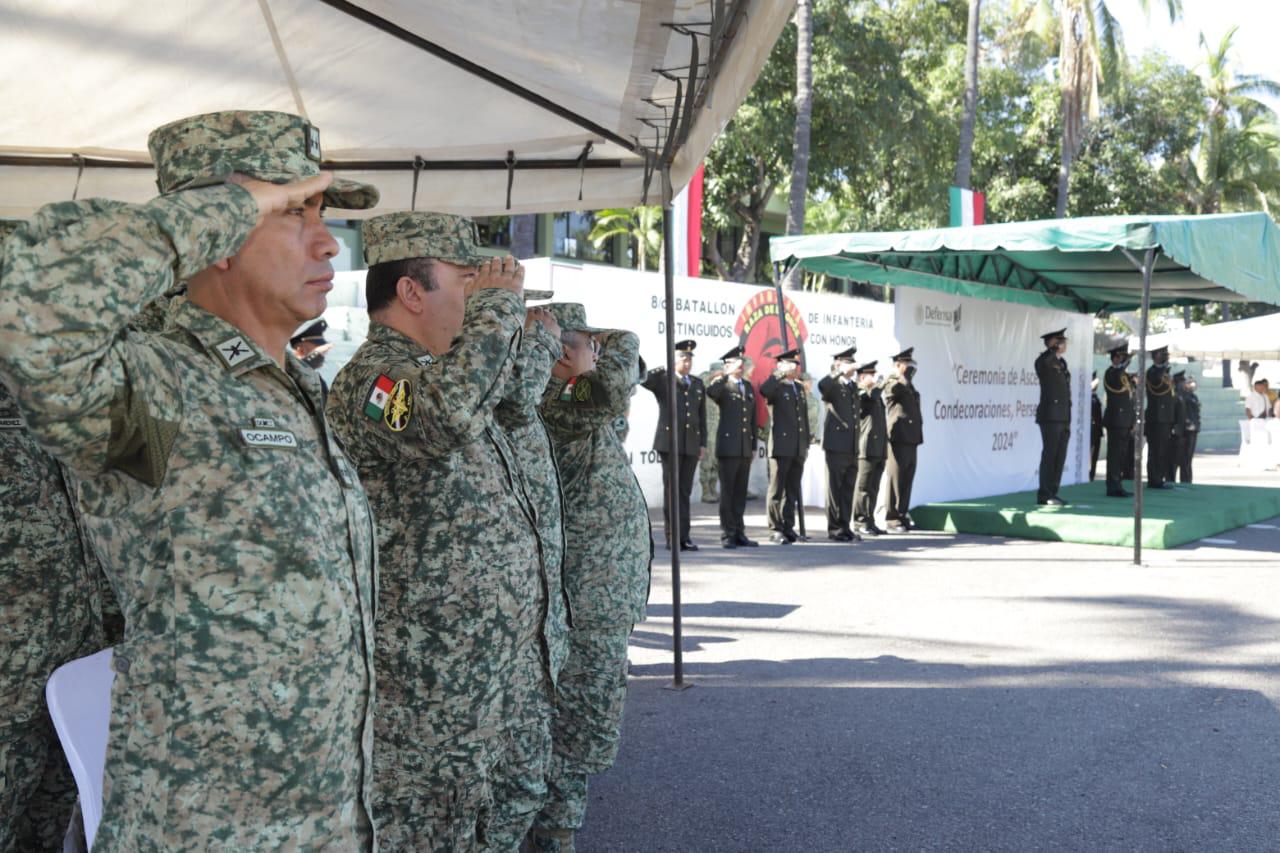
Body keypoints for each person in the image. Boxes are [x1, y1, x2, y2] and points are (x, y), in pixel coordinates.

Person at [0, 110, 381, 849]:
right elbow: (31, 314)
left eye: (321, 213)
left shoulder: (291, 387)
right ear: (219, 234)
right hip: (207, 829)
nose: (328, 241)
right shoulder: (158, 392)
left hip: (325, 819)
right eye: (293, 212)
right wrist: (225, 208)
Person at [325, 212, 554, 851]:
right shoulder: (372, 379)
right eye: (466, 281)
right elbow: (444, 417)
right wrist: (499, 309)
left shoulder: (454, 372)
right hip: (427, 695)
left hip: (486, 678)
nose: (480, 296)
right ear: (410, 292)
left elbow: (508, 399)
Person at [534, 304, 651, 853]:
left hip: (601, 595)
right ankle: (554, 835)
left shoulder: (576, 402)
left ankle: (556, 829)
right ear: (561, 354)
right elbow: (613, 384)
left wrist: (587, 343)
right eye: (588, 348)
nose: (600, 356)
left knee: (585, 723)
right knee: (577, 726)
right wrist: (611, 337)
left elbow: (619, 389)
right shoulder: (557, 401)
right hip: (584, 598)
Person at [641, 339, 707, 551]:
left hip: (691, 444)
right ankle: (672, 537)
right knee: (672, 492)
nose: (687, 363)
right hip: (670, 444)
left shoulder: (697, 384)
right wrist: (664, 368)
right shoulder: (664, 380)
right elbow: (644, 380)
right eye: (682, 358)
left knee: (685, 492)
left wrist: (703, 443)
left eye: (689, 359)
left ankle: (684, 536)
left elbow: (701, 416)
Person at [706, 346, 758, 549]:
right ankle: (727, 534)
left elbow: (752, 418)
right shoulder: (723, 385)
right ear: (727, 365)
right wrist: (725, 375)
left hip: (744, 447)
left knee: (740, 493)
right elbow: (711, 393)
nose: (740, 366)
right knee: (727, 493)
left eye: (741, 362)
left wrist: (753, 445)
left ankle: (739, 532)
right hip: (728, 447)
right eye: (735, 363)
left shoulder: (747, 386)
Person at [760, 348, 810, 544]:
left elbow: (803, 418)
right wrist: (778, 373)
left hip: (797, 446)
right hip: (781, 445)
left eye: (795, 364)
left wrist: (805, 443)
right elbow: (764, 391)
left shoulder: (798, 387)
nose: (794, 368)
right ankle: (775, 529)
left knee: (792, 490)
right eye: (790, 364)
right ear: (780, 365)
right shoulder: (776, 385)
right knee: (776, 490)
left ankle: (788, 526)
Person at [817, 347, 861, 542]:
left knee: (848, 488)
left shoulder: (852, 386)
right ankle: (835, 528)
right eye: (847, 363)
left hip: (851, 444)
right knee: (834, 489)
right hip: (836, 445)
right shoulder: (833, 384)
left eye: (852, 362)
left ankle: (845, 525)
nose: (852, 366)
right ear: (838, 364)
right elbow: (822, 386)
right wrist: (838, 371)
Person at [883, 348, 923, 532]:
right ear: (898, 365)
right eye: (907, 364)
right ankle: (892, 518)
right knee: (896, 478)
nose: (910, 368)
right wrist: (903, 376)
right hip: (898, 437)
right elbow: (893, 391)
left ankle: (902, 513)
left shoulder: (909, 384)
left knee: (907, 477)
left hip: (911, 437)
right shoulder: (892, 381)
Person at [1034, 329, 1072, 506]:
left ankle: (1053, 492)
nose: (1064, 345)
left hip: (1063, 416)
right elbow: (1043, 362)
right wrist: (1052, 349)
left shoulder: (1060, 362)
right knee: (1050, 455)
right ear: (1053, 343)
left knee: (1059, 456)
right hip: (1050, 416)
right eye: (1060, 341)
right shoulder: (1044, 361)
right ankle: (1044, 494)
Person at [852, 360, 888, 537]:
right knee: (863, 487)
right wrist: (878, 385)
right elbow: (868, 400)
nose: (874, 378)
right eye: (870, 375)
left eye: (874, 374)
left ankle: (870, 519)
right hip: (866, 447)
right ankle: (860, 521)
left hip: (878, 447)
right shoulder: (860, 393)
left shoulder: (875, 394)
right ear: (861, 377)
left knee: (874, 487)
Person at [1102, 345, 1135, 498]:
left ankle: (1118, 484)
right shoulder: (1110, 373)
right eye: (1122, 357)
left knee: (1122, 455)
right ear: (1115, 358)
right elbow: (1115, 380)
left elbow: (1129, 398)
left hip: (1125, 420)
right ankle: (1112, 486)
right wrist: (1123, 366)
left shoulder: (1124, 375)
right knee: (1114, 455)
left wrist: (1132, 420)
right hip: (1115, 420)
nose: (1124, 360)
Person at [1145, 345, 1177, 489]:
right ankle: (1154, 479)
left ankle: (1159, 477)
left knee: (1162, 450)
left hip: (1165, 417)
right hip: (1156, 417)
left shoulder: (1163, 372)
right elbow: (1157, 383)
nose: (1165, 356)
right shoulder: (1152, 372)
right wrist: (1163, 367)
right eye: (1162, 354)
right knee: (1155, 449)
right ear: (1155, 356)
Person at [698, 360, 724, 504]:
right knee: (707, 462)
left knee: (716, 462)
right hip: (708, 429)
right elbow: (701, 379)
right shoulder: (705, 382)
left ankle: (713, 489)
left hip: (719, 429)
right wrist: (714, 375)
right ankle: (705, 491)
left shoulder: (721, 386)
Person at [1176, 373, 1201, 483]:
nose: (1192, 384)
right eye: (1189, 382)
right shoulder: (1182, 396)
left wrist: (1197, 425)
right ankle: (1184, 479)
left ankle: (1187, 479)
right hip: (1185, 429)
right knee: (1184, 457)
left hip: (1193, 429)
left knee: (1189, 457)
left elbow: (1196, 413)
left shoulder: (1193, 396)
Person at [1089, 372, 1103, 481]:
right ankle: (1089, 473)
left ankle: (1092, 473)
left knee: (1095, 454)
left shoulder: (1095, 397)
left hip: (1096, 429)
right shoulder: (1089, 397)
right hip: (1090, 429)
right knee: (1090, 452)